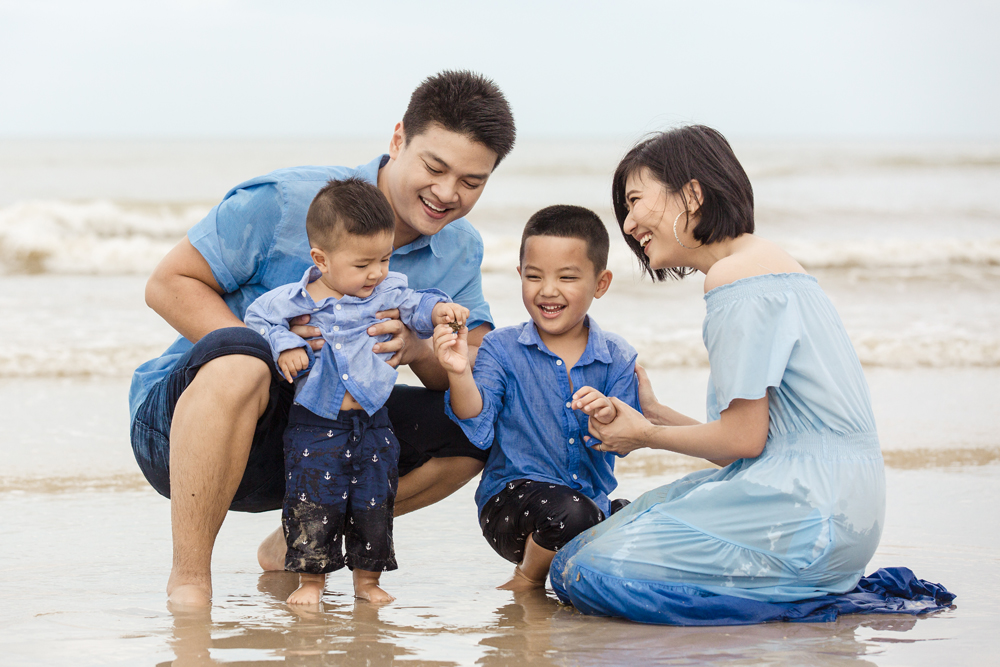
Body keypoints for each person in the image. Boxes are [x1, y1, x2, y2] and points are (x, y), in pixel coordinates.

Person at [129, 70, 516, 606]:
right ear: (399, 138)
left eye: (472, 182)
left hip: (328, 437)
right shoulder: (288, 200)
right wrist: (270, 353)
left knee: (476, 429)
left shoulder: (459, 249)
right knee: (244, 360)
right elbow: (168, 284)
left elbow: (468, 371)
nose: (447, 194)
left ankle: (300, 536)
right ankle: (190, 579)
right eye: (434, 166)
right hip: (188, 428)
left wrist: (419, 346)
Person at [548, 125, 887, 623]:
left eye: (636, 200)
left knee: (584, 572)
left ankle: (781, 603)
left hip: (808, 512)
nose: (627, 222)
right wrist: (657, 414)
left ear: (692, 194)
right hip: (845, 507)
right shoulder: (770, 263)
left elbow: (743, 442)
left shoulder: (736, 278)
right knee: (584, 552)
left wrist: (644, 435)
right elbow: (765, 438)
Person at [244, 178, 469, 605]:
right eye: (364, 263)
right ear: (321, 259)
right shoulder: (294, 301)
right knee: (313, 500)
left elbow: (416, 304)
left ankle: (367, 582)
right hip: (315, 423)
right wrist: (286, 344)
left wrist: (440, 311)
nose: (377, 272)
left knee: (374, 501)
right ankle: (311, 583)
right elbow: (257, 321)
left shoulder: (385, 291)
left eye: (384, 258)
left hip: (372, 421)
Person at [434, 205, 641, 591]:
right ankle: (527, 580)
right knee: (573, 513)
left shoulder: (617, 356)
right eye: (534, 276)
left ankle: (575, 571)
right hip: (511, 506)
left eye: (567, 277)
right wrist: (459, 372)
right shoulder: (501, 348)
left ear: (601, 282)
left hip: (587, 504)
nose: (547, 290)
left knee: (639, 519)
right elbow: (476, 423)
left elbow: (626, 442)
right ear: (519, 277)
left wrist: (610, 414)